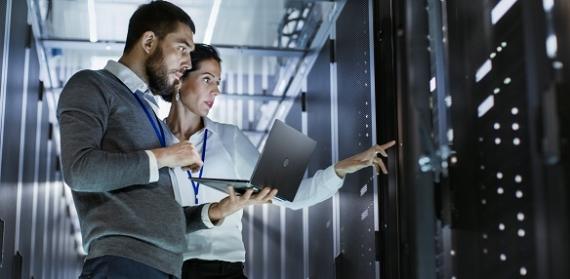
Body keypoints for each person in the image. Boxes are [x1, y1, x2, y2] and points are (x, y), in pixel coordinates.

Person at [57, 2, 275, 278]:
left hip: (165, 268)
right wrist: (166, 156)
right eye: (182, 49)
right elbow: (80, 170)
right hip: (122, 264)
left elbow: (160, 214)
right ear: (149, 41)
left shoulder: (147, 111)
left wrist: (217, 210)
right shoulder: (92, 85)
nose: (186, 63)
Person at [164, 43, 396, 279]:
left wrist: (340, 169)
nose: (216, 91)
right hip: (170, 270)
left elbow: (291, 198)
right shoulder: (153, 142)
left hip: (226, 271)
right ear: (180, 77)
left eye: (218, 82)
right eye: (207, 79)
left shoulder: (228, 137)